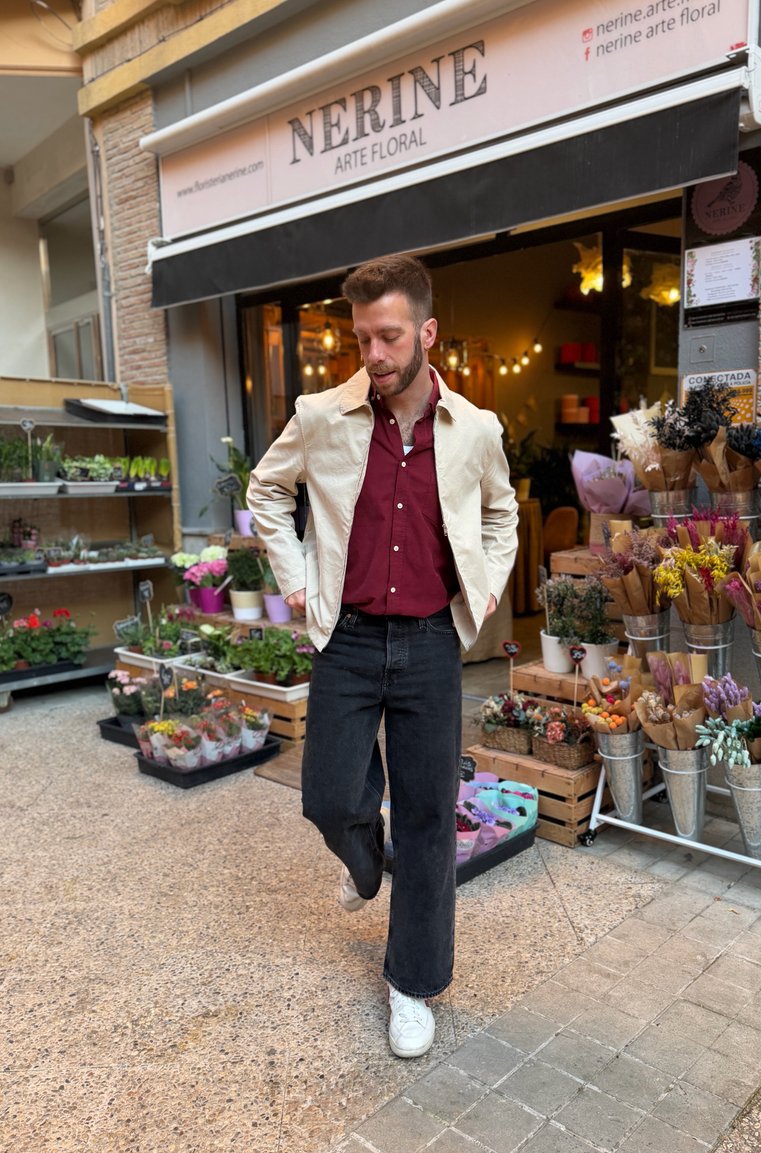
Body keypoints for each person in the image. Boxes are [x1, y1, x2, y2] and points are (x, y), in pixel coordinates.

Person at [247, 253, 518, 1058]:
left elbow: (502, 510)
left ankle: (412, 983)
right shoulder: (322, 414)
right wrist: (294, 580)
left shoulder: (475, 429)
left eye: (389, 336)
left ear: (427, 333)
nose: (373, 354)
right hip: (350, 637)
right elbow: (267, 488)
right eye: (363, 337)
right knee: (328, 797)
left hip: (434, 641)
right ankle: (366, 865)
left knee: (431, 817)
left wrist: (492, 577)